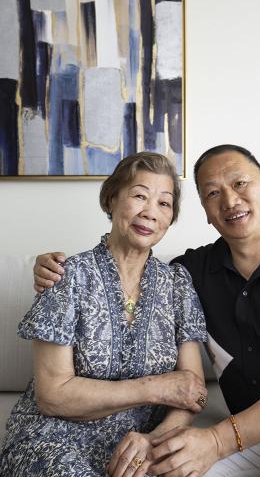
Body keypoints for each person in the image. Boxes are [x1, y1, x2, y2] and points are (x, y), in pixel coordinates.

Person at [31, 145, 260, 476]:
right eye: (213, 193)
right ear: (205, 211)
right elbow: (132, 268)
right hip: (259, 436)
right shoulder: (191, 272)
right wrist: (50, 268)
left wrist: (215, 440)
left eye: (240, 183)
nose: (230, 199)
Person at [0, 152, 208, 477]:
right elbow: (53, 396)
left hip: (136, 445)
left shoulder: (177, 285)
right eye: (139, 195)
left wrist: (153, 441)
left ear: (170, 219)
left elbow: (192, 393)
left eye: (164, 203)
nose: (150, 212)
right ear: (112, 200)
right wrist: (155, 387)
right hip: (54, 439)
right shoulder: (65, 276)